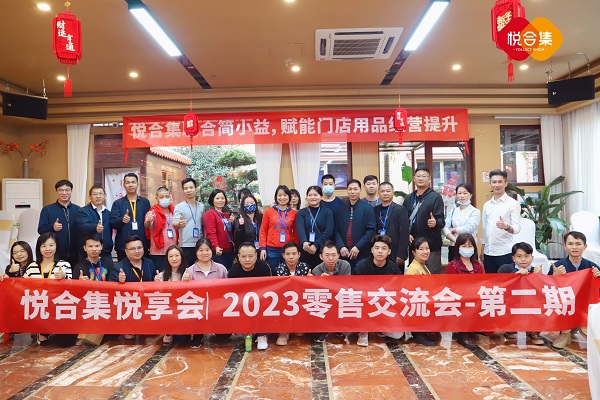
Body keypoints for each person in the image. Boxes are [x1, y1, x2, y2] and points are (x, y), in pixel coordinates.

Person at [548, 231, 600, 349]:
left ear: (585, 246)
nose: (574, 247)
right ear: (565, 246)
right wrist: (555, 277)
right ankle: (565, 333)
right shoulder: (558, 266)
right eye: (570, 244)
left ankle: (579, 328)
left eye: (578, 244)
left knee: (592, 337)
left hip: (584, 308)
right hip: (566, 308)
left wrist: (599, 277)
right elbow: (546, 291)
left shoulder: (592, 267)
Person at [24, 232, 75, 347]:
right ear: (39, 248)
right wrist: (8, 277)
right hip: (40, 307)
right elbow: (21, 287)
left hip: (59, 307)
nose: (48, 249)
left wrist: (64, 277)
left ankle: (57, 329)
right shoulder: (32, 266)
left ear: (56, 246)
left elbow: (71, 288)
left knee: (65, 343)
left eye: (51, 245)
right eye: (44, 246)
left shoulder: (64, 265)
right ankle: (42, 330)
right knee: (43, 344)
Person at [353, 235, 403, 346]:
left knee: (398, 334)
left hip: (385, 306)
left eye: (384, 248)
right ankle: (364, 330)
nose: (380, 251)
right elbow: (354, 291)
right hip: (365, 306)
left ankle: (379, 328)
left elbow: (399, 290)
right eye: (377, 248)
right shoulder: (361, 268)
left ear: (389, 252)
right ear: (372, 250)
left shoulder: (394, 268)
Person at [184, 238, 228, 348]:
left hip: (217, 306)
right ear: (196, 252)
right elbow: (184, 294)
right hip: (198, 308)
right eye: (201, 250)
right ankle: (198, 334)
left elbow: (228, 289)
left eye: (207, 250)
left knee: (224, 335)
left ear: (211, 251)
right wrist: (184, 281)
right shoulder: (189, 271)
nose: (204, 253)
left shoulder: (221, 269)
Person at [498, 242, 543, 345]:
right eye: (519, 256)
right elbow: (499, 286)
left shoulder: (536, 271)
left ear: (532, 257)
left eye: (526, 256)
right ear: (513, 258)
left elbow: (542, 292)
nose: (523, 259)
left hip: (530, 304)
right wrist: (515, 276)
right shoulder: (505, 268)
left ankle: (533, 331)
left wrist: (540, 277)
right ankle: (510, 328)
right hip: (511, 303)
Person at [229, 242, 272, 350]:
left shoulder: (264, 267)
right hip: (242, 305)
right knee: (239, 334)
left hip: (262, 303)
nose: (247, 260)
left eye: (250, 256)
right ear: (238, 257)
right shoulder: (233, 272)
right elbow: (231, 295)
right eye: (243, 256)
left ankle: (262, 335)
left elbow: (272, 289)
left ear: (256, 255)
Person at [445, 233, 485, 348]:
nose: (467, 249)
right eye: (464, 246)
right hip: (460, 299)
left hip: (476, 297)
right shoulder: (453, 265)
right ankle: (463, 333)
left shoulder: (477, 265)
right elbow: (452, 287)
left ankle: (473, 328)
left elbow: (483, 283)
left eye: (470, 246)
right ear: (458, 248)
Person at [402, 168, 444, 274]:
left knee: (432, 278)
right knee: (415, 278)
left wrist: (435, 222)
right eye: (418, 176)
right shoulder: (409, 198)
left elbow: (441, 221)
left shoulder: (435, 197)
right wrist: (406, 233)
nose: (421, 178)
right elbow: (403, 220)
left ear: (429, 179)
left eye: (424, 176)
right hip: (414, 248)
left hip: (431, 248)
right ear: (414, 178)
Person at [481, 169, 521, 273]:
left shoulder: (513, 204)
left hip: (504, 252)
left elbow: (517, 228)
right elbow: (484, 229)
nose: (497, 185)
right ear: (490, 184)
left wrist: (506, 227)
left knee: (505, 282)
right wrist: (483, 249)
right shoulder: (487, 205)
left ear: (506, 183)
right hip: (488, 252)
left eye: (500, 182)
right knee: (491, 281)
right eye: (494, 182)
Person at [310, 241, 351, 343]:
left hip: (340, 298)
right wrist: (320, 282)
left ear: (338, 255)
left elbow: (347, 287)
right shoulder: (316, 271)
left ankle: (340, 328)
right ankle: (323, 329)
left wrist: (330, 283)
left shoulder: (345, 265)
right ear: (321, 256)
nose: (331, 258)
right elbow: (315, 293)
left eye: (333, 255)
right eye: (327, 255)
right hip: (325, 300)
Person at [334, 179, 376, 270]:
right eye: (350, 189)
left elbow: (371, 231)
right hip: (344, 253)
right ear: (347, 190)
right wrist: (341, 247)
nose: (352, 192)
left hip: (362, 253)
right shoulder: (341, 209)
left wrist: (358, 247)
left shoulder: (367, 208)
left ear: (360, 191)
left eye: (355, 189)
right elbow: (336, 230)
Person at [37, 179, 81, 266]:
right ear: (56, 192)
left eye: (67, 190)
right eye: (61, 190)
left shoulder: (79, 210)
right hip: (56, 254)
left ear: (71, 191)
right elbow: (41, 229)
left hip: (76, 254)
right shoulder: (47, 210)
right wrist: (52, 227)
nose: (64, 193)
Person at [274, 242, 310, 346]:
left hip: (301, 299)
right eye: (288, 254)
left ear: (299, 255)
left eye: (294, 254)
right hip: (284, 301)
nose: (291, 257)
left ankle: (299, 324)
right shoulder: (278, 270)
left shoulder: (305, 267)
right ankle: (284, 331)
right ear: (283, 255)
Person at [110, 173, 151, 262]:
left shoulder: (145, 202)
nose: (131, 185)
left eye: (133, 182)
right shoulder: (118, 203)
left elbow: (149, 224)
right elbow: (112, 223)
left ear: (137, 184)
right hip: (123, 246)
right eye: (128, 182)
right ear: (123, 185)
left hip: (142, 245)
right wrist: (121, 220)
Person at [154, 245, 191, 345]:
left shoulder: (189, 273)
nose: (174, 259)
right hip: (169, 309)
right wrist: (156, 284)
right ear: (167, 259)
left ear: (181, 257)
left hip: (184, 309)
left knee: (182, 339)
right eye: (171, 256)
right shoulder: (161, 275)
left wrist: (187, 282)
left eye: (177, 255)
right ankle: (168, 331)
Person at [405, 237, 437, 346]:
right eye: (421, 249)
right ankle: (419, 334)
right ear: (414, 252)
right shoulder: (413, 268)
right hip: (418, 304)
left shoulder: (422, 265)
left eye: (427, 248)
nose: (425, 251)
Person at [259, 185, 298, 272]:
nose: (282, 198)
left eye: (285, 195)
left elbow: (296, 232)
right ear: (276, 197)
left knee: (287, 272)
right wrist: (262, 248)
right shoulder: (268, 211)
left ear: (289, 197)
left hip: (288, 249)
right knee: (273, 272)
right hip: (272, 249)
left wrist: (296, 248)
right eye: (279, 195)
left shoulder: (294, 213)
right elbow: (263, 231)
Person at [295, 185, 334, 268]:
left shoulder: (327, 212)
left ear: (321, 196)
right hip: (305, 248)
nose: (312, 197)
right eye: (310, 195)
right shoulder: (301, 212)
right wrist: (304, 242)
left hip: (322, 249)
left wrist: (316, 245)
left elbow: (329, 231)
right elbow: (300, 228)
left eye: (315, 195)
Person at [76, 185, 114, 269]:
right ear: (90, 197)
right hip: (88, 254)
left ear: (105, 196)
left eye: (100, 194)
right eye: (95, 194)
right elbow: (83, 226)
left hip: (106, 252)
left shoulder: (108, 213)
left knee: (109, 275)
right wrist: (95, 227)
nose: (98, 196)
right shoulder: (83, 211)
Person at [374, 182, 409, 271]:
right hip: (378, 252)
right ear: (378, 193)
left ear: (393, 192)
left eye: (388, 191)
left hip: (394, 252)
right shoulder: (375, 210)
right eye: (382, 191)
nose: (385, 193)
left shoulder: (400, 210)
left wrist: (401, 255)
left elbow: (404, 233)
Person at [443, 183, 480, 262]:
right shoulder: (453, 211)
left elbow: (468, 229)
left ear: (470, 195)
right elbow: (444, 227)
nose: (462, 196)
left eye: (465, 193)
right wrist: (455, 240)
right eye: (459, 193)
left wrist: (455, 229)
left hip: (469, 247)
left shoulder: (475, 212)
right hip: (453, 247)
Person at [145, 187, 178, 271]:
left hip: (173, 252)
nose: (164, 199)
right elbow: (147, 225)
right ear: (157, 198)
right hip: (158, 253)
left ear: (170, 197)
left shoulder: (174, 211)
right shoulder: (152, 212)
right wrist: (149, 221)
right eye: (161, 197)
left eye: (167, 197)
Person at [174, 178, 205, 266]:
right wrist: (179, 224)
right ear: (183, 190)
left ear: (195, 189)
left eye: (191, 187)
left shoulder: (201, 206)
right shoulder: (179, 207)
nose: (188, 190)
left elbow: (203, 224)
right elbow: (174, 224)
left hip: (200, 244)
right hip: (185, 245)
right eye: (186, 188)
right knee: (186, 270)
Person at [203, 189, 234, 270]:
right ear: (212, 200)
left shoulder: (226, 215)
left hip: (229, 250)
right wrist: (215, 246)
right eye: (217, 198)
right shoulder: (210, 213)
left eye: (222, 198)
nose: (220, 200)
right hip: (218, 251)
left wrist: (232, 223)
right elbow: (211, 232)